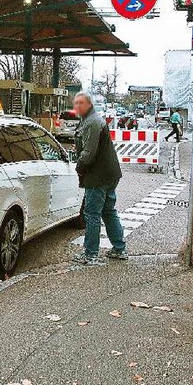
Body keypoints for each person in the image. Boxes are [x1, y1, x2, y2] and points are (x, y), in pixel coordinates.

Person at [72, 92, 127, 265]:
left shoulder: (91, 122)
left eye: (81, 103)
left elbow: (88, 154)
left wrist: (78, 167)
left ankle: (90, 254)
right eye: (76, 103)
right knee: (108, 211)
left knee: (92, 214)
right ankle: (119, 248)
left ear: (89, 104)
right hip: (109, 173)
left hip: (98, 176)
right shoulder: (93, 119)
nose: (77, 107)